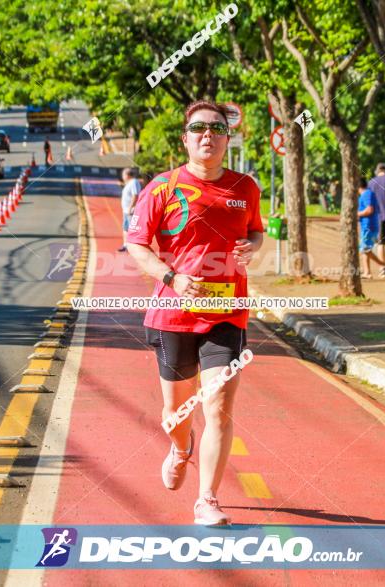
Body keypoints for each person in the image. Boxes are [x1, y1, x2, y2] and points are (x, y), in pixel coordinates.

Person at [127, 100, 264, 526]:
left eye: (217, 128)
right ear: (185, 138)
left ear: (228, 138)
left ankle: (207, 498)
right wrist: (171, 278)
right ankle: (180, 448)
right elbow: (136, 243)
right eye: (199, 128)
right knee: (177, 412)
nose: (208, 135)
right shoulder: (162, 187)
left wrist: (252, 248)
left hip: (226, 313)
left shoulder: (246, 187)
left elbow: (257, 231)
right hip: (173, 314)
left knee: (219, 406)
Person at [357, 178, 385, 278]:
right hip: (367, 225)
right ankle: (367, 272)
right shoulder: (368, 193)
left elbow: (369, 209)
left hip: (368, 226)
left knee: (364, 249)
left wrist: (356, 214)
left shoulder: (366, 194)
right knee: (365, 248)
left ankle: (382, 264)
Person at [118, 167, 142, 252]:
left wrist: (130, 208)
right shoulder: (129, 183)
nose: (122, 176)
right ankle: (126, 245)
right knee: (125, 228)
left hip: (131, 211)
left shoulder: (134, 182)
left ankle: (134, 247)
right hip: (126, 211)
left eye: (123, 175)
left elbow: (135, 195)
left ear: (127, 175)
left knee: (132, 229)